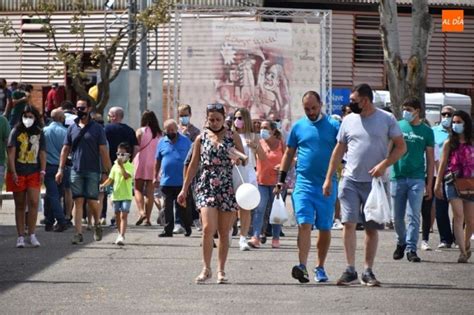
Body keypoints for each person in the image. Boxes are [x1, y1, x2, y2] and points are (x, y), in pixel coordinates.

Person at [323, 83, 406, 286]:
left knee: (371, 227)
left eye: (354, 101)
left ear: (366, 101)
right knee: (348, 223)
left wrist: (384, 164)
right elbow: (338, 150)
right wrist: (328, 178)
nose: (350, 104)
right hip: (350, 180)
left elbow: (401, 147)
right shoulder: (348, 120)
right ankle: (350, 269)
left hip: (375, 184)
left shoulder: (387, 119)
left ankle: (368, 271)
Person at [177, 103, 246, 284]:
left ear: (224, 119)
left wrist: (238, 159)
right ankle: (206, 268)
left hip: (227, 185)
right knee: (208, 228)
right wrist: (184, 189)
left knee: (224, 231)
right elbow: (193, 165)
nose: (214, 123)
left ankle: (221, 270)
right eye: (211, 119)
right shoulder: (201, 138)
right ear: (207, 119)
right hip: (206, 184)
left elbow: (244, 161)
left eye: (218, 119)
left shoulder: (233, 136)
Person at [275, 91, 340, 283]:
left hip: (327, 184)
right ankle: (302, 266)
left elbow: (345, 149)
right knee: (304, 224)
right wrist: (282, 178)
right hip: (303, 184)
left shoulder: (334, 126)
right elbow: (288, 154)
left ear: (321, 104)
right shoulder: (298, 127)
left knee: (324, 228)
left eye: (314, 107)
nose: (311, 112)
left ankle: (320, 267)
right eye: (307, 109)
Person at [55, 98, 112, 245]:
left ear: (89, 109)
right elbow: (65, 149)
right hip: (76, 170)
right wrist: (60, 169)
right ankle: (78, 233)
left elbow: (103, 151)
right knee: (78, 201)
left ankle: (97, 224)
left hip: (93, 170)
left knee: (92, 201)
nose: (80, 110)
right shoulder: (72, 128)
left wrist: (108, 172)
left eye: (83, 108)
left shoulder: (97, 129)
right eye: (78, 108)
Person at [391, 98, 435, 263]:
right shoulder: (397, 126)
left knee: (413, 215)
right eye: (404, 109)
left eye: (409, 109)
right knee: (396, 217)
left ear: (417, 111)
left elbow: (430, 160)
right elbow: (388, 149)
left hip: (417, 178)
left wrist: (429, 183)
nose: (406, 112)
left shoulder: (426, 131)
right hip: (397, 176)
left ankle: (411, 248)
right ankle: (401, 241)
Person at [434, 110, 473, 263]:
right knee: (458, 216)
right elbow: (442, 165)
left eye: (459, 122)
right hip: (452, 182)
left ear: (466, 123)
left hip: (470, 182)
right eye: (454, 122)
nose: (456, 125)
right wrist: (437, 184)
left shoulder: (472, 141)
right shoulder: (449, 143)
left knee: (471, 220)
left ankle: (466, 242)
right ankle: (462, 252)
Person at [7, 105, 46, 248]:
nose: (27, 119)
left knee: (34, 202)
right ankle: (20, 236)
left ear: (35, 118)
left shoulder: (40, 132)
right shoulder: (16, 131)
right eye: (25, 116)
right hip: (18, 171)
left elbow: (42, 153)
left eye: (30, 116)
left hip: (34, 172)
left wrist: (43, 171)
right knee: (20, 204)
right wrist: (13, 172)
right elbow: (11, 153)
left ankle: (32, 234)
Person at [249, 120, 285, 249]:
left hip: (277, 182)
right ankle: (256, 237)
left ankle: (276, 238)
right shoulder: (259, 143)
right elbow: (258, 159)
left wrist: (282, 166)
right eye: (261, 128)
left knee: (276, 211)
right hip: (262, 181)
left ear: (273, 130)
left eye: (265, 128)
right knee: (259, 209)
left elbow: (290, 158)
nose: (262, 130)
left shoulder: (281, 143)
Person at [154, 119, 192, 237]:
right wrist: (155, 176)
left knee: (184, 207)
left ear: (177, 129)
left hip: (182, 181)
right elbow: (157, 160)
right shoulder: (161, 142)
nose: (170, 132)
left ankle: (187, 227)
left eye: (172, 130)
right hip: (166, 181)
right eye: (168, 130)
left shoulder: (186, 141)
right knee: (167, 207)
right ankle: (167, 230)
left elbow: (192, 159)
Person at [231, 107, 258, 251]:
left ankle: (243, 238)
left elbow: (260, 158)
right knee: (231, 207)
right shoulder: (230, 135)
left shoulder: (252, 136)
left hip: (248, 173)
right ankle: (228, 234)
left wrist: (255, 146)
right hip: (234, 172)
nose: (237, 121)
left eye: (240, 118)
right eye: (235, 117)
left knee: (245, 207)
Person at [100, 142, 134, 246]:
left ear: (128, 155)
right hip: (116, 195)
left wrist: (122, 166)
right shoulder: (115, 166)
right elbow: (110, 179)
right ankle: (119, 233)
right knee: (117, 215)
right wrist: (103, 185)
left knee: (124, 214)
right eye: (118, 154)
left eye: (123, 154)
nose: (120, 156)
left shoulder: (130, 165)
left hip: (126, 195)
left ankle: (122, 235)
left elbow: (127, 176)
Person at [432, 105, 456, 249]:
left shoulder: (459, 133)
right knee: (441, 208)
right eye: (444, 114)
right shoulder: (434, 131)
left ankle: (458, 236)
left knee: (459, 209)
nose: (446, 117)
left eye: (449, 114)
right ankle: (445, 238)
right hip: (439, 173)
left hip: (457, 175)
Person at [133, 110, 162, 226]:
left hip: (141, 161)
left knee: (137, 189)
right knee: (150, 192)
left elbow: (136, 147)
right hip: (154, 162)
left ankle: (141, 212)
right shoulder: (160, 134)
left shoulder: (140, 131)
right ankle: (148, 219)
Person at [176, 103, 201, 233]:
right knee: (178, 194)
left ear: (190, 115)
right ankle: (178, 222)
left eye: (185, 115)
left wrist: (186, 136)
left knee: (191, 193)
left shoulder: (196, 131)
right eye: (181, 115)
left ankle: (195, 219)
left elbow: (196, 149)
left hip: (190, 166)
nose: (183, 118)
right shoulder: (175, 130)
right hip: (176, 167)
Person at [43, 108, 68, 232]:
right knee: (56, 195)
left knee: (51, 194)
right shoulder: (65, 132)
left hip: (47, 166)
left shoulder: (44, 131)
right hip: (61, 166)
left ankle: (49, 220)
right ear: (61, 118)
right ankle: (61, 220)